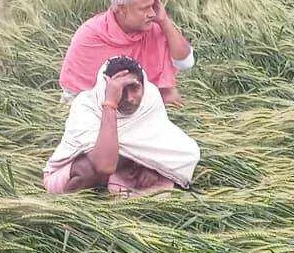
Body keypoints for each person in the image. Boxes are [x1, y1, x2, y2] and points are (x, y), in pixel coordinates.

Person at [43, 56, 200, 195]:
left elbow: (156, 139)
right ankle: (70, 211)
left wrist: (152, 166)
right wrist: (110, 103)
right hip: (76, 172)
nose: (130, 98)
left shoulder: (149, 98)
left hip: (120, 167)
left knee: (189, 153)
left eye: (134, 88)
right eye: (121, 90)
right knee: (88, 170)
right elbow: (104, 165)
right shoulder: (87, 105)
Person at [59, 0, 195, 106]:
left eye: (152, 6)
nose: (152, 13)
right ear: (122, 9)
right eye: (144, 9)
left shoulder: (153, 28)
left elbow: (186, 62)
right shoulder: (90, 35)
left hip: (140, 100)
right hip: (98, 105)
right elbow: (73, 93)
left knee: (171, 96)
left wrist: (164, 20)